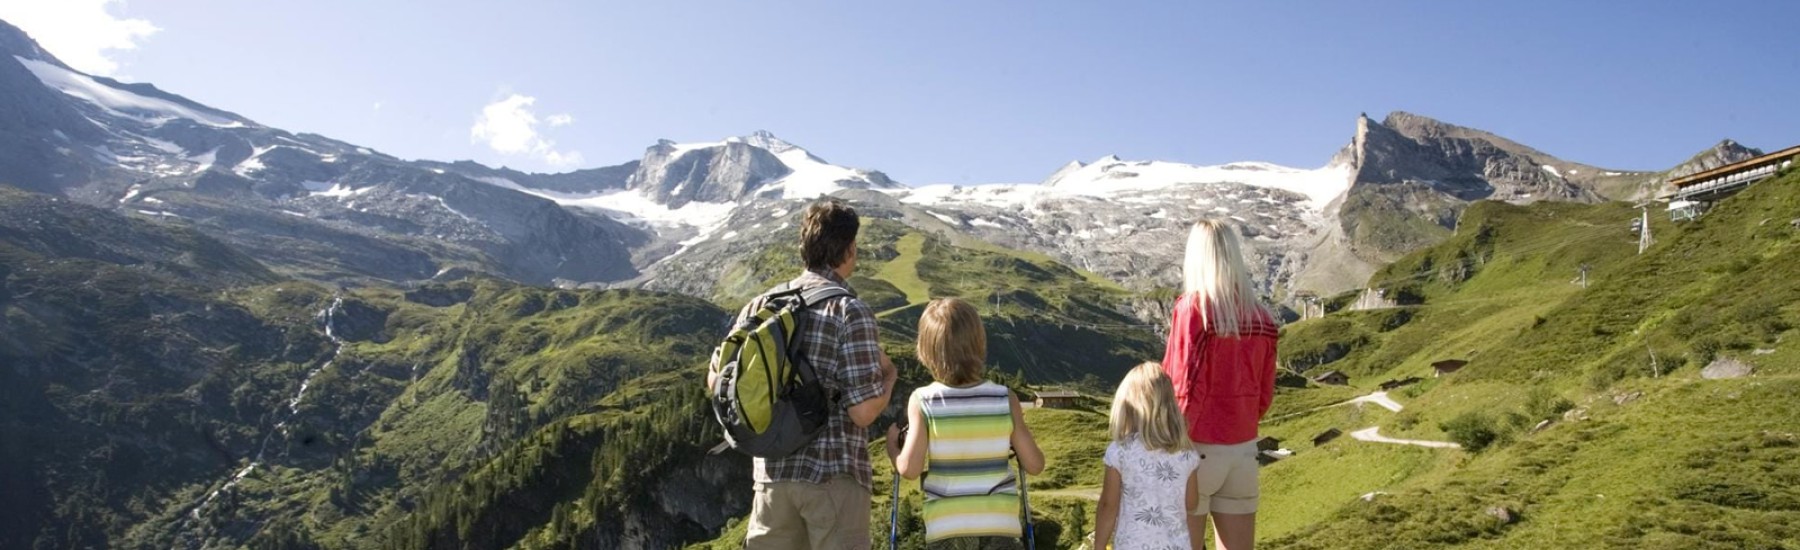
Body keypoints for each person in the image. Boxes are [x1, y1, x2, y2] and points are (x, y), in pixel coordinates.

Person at [715, 199, 899, 550]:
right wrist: (889, 379)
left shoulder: (759, 305)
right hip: (832, 476)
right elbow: (862, 412)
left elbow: (718, 379)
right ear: (849, 249)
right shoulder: (849, 310)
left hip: (770, 478)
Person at [886, 298, 1045, 549]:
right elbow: (1035, 465)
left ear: (925, 351)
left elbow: (910, 469)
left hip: (947, 529)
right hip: (999, 527)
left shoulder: (923, 400)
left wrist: (893, 449)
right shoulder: (1006, 399)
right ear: (979, 344)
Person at [1161, 219, 1279, 550]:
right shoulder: (1263, 319)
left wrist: (1172, 442)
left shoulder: (1193, 309)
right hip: (1242, 449)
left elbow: (1185, 384)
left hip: (1195, 447)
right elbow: (1265, 394)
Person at [1093, 362, 1201, 550]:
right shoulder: (1186, 453)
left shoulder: (1120, 451)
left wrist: (1099, 546)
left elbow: (1108, 506)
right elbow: (1191, 503)